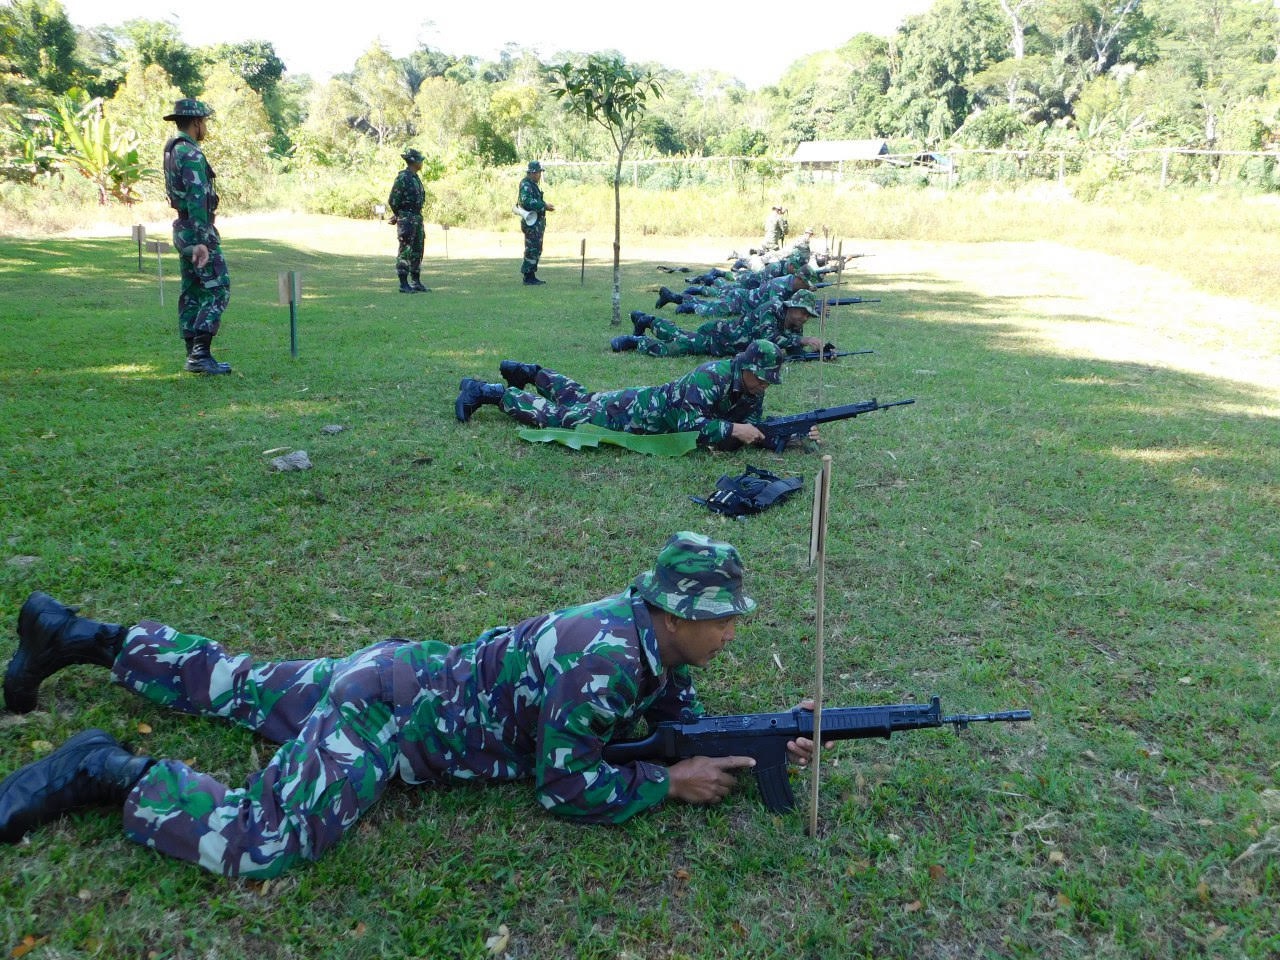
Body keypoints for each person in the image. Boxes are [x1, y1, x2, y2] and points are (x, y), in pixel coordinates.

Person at [0, 533, 823, 878]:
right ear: (676, 614)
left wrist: (762, 739)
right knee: (270, 837)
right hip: (389, 719)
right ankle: (103, 770)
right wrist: (667, 786)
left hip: (398, 672)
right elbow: (565, 788)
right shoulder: (602, 663)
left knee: (237, 682)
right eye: (723, 620)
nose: (731, 634)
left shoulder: (645, 637)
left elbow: (666, 718)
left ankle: (74, 636)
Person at [454, 339, 818, 451]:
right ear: (747, 367)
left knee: (584, 399)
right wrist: (732, 431)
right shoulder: (710, 378)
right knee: (566, 418)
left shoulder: (752, 388)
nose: (766, 385)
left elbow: (750, 427)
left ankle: (532, 373)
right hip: (637, 415)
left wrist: (789, 433)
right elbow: (688, 425)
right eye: (763, 378)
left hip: (640, 405)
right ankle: (491, 393)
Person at [163, 98, 231, 375]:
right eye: (203, 122)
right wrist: (203, 239)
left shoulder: (172, 150)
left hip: (182, 229)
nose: (204, 127)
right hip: (196, 229)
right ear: (196, 123)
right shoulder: (191, 154)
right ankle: (200, 354)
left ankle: (194, 356)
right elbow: (197, 197)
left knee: (192, 291)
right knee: (217, 288)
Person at [613, 289, 828, 359]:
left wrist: (824, 351)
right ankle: (636, 341)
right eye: (803, 313)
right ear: (791, 307)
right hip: (720, 337)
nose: (805, 318)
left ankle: (646, 320)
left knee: (681, 338)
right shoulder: (771, 310)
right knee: (679, 345)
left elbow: (792, 347)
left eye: (809, 315)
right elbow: (771, 340)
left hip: (728, 346)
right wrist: (805, 340)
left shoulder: (794, 323)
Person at [388, 148, 429, 294]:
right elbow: (393, 199)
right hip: (407, 218)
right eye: (419, 160)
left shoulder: (415, 177)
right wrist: (399, 214)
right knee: (405, 250)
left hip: (417, 217)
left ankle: (416, 281)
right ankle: (403, 283)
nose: (421, 162)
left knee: (418, 250)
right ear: (413, 161)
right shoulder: (403, 177)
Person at [517, 160, 555, 285]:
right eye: (538, 172)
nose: (539, 175)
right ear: (532, 173)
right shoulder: (526, 185)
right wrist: (544, 206)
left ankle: (531, 275)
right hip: (531, 223)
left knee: (536, 248)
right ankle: (528, 276)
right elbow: (526, 202)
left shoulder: (532, 184)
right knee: (532, 249)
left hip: (536, 223)